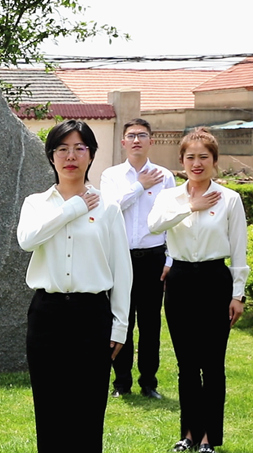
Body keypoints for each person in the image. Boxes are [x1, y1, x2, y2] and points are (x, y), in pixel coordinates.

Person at [17, 120, 132, 453]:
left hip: (91, 317)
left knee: (87, 414)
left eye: (79, 148)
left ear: (91, 155)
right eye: (62, 149)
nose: (70, 156)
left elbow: (122, 271)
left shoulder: (109, 207)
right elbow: (27, 239)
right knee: (50, 414)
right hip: (47, 315)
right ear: (51, 156)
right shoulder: (36, 204)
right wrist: (73, 208)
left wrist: (119, 326)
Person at [148, 128, 249, 453]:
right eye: (190, 157)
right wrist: (191, 206)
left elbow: (239, 251)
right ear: (181, 161)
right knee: (187, 365)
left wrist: (238, 295)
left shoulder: (229, 199)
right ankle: (189, 434)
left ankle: (209, 438)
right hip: (179, 282)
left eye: (203, 157)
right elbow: (154, 225)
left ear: (214, 161)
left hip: (214, 280)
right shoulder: (170, 198)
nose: (197, 163)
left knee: (213, 364)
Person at [100, 118, 175, 399]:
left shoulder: (165, 176)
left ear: (150, 141)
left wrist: (170, 259)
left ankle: (149, 382)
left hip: (153, 258)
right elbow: (110, 209)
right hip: (120, 257)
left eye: (142, 135)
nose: (136, 140)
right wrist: (139, 186)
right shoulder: (111, 176)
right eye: (131, 135)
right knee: (121, 320)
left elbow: (172, 220)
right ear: (123, 142)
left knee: (150, 323)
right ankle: (121, 383)